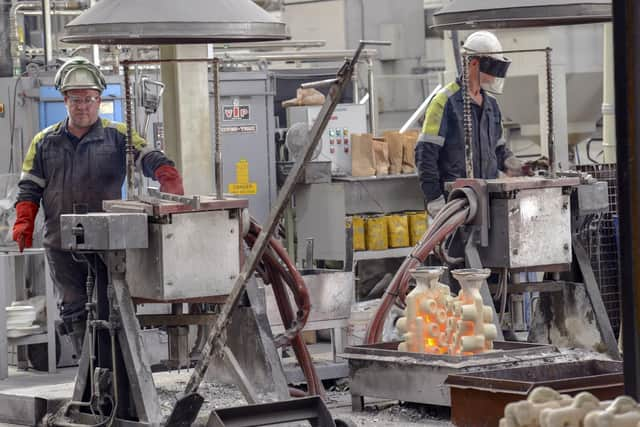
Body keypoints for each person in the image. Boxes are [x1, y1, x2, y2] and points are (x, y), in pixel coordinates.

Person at [11, 57, 184, 353]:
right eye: (76, 99)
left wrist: (165, 173)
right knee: (73, 307)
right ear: (65, 100)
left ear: (99, 100)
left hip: (109, 241)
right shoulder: (44, 142)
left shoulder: (118, 135)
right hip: (61, 241)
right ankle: (88, 368)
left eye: (89, 99)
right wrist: (24, 219)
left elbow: (148, 156)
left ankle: (115, 366)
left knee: (113, 304)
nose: (83, 106)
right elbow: (30, 187)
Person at [415, 31, 524, 218]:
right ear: (474, 64)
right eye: (493, 69)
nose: (495, 75)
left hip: (487, 200)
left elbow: (498, 150)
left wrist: (515, 164)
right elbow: (425, 154)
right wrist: (434, 199)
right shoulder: (444, 102)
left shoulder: (491, 105)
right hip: (456, 202)